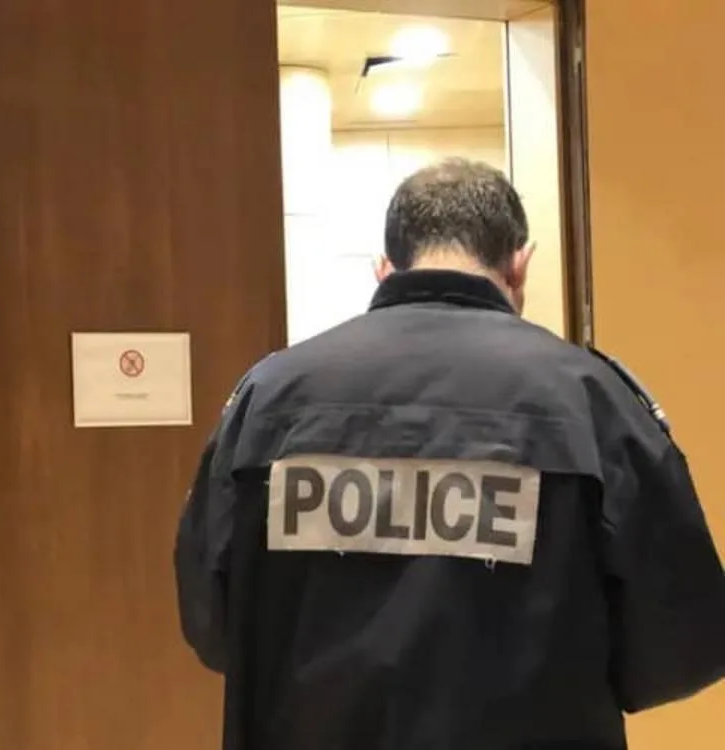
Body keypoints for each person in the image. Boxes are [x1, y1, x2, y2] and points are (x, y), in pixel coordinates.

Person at [174, 158, 725, 750]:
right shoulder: (590, 398)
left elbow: (212, 622)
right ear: (519, 265)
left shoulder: (269, 395)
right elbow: (682, 641)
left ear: (384, 269)